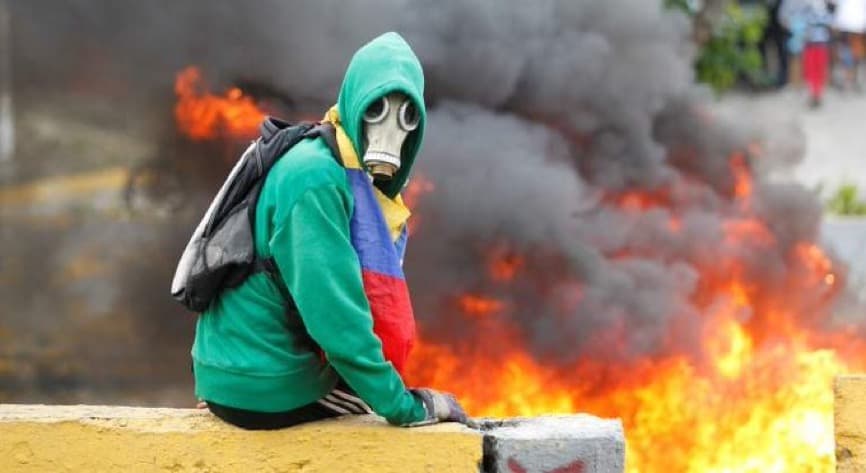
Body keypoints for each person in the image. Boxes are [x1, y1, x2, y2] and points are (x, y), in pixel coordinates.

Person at [190, 32, 468, 430]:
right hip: (261, 383)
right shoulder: (316, 180)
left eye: (407, 116)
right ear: (356, 104)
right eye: (376, 110)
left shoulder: (324, 157)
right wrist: (407, 407)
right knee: (369, 408)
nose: (391, 130)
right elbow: (336, 319)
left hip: (239, 371)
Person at [834, 0, 866, 89]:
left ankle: (852, 79)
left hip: (856, 26)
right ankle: (849, 79)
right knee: (847, 54)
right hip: (848, 26)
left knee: (855, 55)